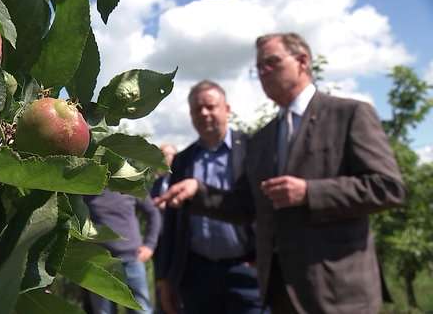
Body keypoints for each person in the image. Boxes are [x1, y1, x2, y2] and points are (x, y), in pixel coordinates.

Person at [154, 33, 405, 314]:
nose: (263, 72)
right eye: (259, 67)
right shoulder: (263, 138)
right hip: (279, 292)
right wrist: (197, 192)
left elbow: (388, 187)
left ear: (302, 61)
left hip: (338, 290)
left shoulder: (348, 115)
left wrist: (310, 193)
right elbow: (248, 205)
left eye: (272, 62)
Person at [155, 81, 262, 314]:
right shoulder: (183, 160)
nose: (204, 113)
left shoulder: (253, 148)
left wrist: (263, 256)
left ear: (227, 109)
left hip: (246, 269)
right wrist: (165, 278)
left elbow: (264, 206)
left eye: (210, 106)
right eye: (197, 109)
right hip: (196, 273)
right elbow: (172, 223)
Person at [84, 187, 162, 314]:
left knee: (141, 310)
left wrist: (150, 245)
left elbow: (152, 212)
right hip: (99, 265)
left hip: (132, 260)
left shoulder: (127, 183)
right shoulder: (83, 190)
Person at [149, 143, 177, 314]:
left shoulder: (183, 180)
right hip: (161, 245)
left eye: (165, 154)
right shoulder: (157, 184)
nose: (161, 158)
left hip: (179, 244)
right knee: (162, 291)